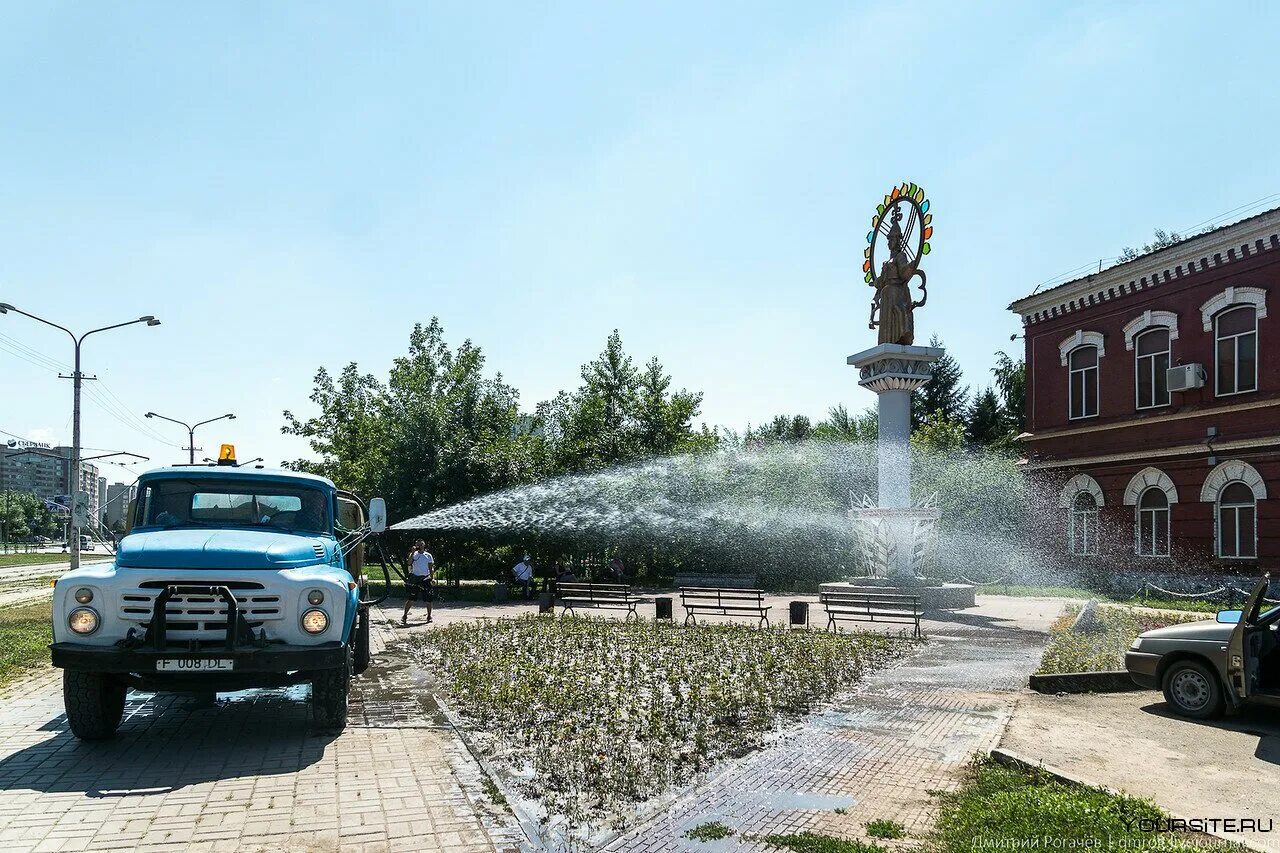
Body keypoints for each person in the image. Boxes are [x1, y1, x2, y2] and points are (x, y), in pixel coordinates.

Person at [402, 539, 435, 626]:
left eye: (420, 545)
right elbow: (409, 563)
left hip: (425, 579)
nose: (419, 546)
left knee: (428, 599)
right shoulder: (414, 555)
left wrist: (432, 578)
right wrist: (412, 553)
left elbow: (431, 568)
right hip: (415, 578)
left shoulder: (428, 555)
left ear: (424, 545)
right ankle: (405, 615)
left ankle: (429, 616)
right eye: (417, 545)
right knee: (411, 598)